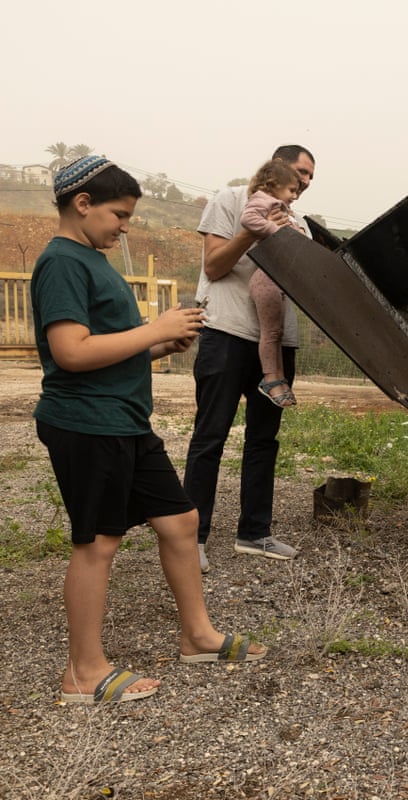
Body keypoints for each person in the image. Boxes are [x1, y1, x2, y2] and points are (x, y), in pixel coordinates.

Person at [31, 156, 267, 704]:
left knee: (182, 520)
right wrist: (151, 330)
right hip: (86, 424)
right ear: (82, 204)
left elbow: (105, 346)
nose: (124, 226)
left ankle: (197, 636)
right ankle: (83, 674)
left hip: (123, 421)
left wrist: (160, 342)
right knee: (98, 543)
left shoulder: (89, 258)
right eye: (119, 214)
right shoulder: (63, 261)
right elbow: (70, 352)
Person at [183, 145, 315, 572]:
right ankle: (191, 538)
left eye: (310, 178)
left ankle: (254, 533)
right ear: (274, 168)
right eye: (299, 174)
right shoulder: (232, 200)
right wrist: (257, 232)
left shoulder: (299, 225)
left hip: (276, 344)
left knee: (264, 441)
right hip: (226, 332)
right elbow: (216, 265)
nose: (305, 184)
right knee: (210, 437)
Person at [242, 159, 304, 408]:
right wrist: (274, 229)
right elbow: (249, 220)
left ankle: (278, 378)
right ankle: (270, 379)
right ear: (274, 185)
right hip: (265, 278)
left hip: (275, 279)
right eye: (291, 190)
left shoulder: (280, 207)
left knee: (276, 334)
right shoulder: (262, 200)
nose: (294, 196)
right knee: (270, 333)